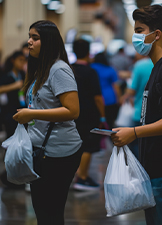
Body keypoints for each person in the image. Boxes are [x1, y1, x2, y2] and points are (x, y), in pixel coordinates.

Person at [111, 5, 162, 224]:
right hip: (157, 168)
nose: (135, 36)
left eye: (140, 30)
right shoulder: (158, 66)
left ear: (156, 34)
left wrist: (135, 132)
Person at [12, 20, 82, 225]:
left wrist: (32, 115)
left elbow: (73, 110)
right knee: (42, 211)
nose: (29, 42)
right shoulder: (40, 70)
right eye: (29, 37)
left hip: (60, 152)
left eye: (35, 38)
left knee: (50, 212)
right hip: (41, 150)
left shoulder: (58, 69)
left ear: (49, 41)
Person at [71, 39, 106, 191]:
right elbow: (97, 97)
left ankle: (78, 174)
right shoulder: (91, 72)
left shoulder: (68, 69)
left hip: (71, 113)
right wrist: (102, 116)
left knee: (75, 145)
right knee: (88, 145)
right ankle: (82, 177)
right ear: (87, 52)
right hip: (88, 113)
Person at [120, 53, 153, 158]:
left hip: (140, 112)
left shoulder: (139, 66)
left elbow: (132, 90)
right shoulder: (160, 64)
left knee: (137, 144)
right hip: (159, 116)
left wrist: (124, 95)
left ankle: (139, 171)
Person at [0, 51, 27, 138]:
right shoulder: (6, 75)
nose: (22, 63)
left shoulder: (23, 74)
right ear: (13, 60)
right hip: (9, 111)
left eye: (24, 61)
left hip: (22, 109)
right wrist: (15, 86)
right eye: (20, 60)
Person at [91, 52, 121, 129]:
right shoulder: (110, 69)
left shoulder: (91, 68)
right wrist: (119, 99)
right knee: (109, 122)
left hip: (94, 99)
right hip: (110, 99)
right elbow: (116, 86)